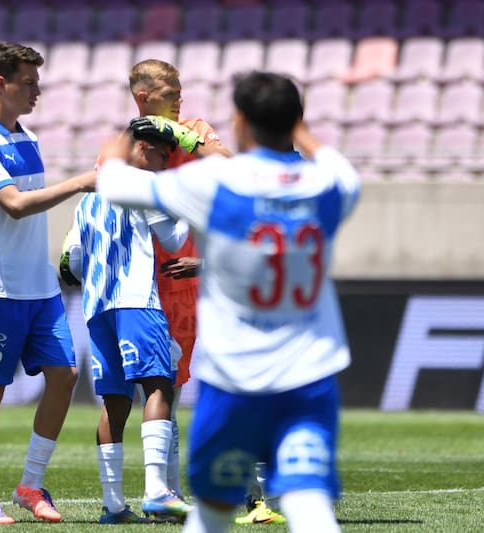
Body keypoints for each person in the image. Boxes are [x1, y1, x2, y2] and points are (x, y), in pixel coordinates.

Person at [96, 71, 360, 533]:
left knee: (214, 510)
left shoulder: (217, 182)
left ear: (239, 120)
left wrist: (125, 138)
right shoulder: (328, 185)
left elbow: (114, 185)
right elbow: (340, 168)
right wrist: (302, 131)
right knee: (310, 503)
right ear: (294, 121)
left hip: (235, 378)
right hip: (309, 374)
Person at [0, 41, 97, 526]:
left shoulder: (28, 136)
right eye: (29, 82)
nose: (37, 90)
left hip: (40, 288)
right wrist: (81, 182)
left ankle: (30, 485)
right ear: (1, 83)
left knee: (65, 376)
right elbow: (16, 204)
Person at [62, 117, 190, 524]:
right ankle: (157, 491)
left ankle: (113, 504)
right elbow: (171, 240)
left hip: (97, 307)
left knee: (115, 402)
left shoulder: (87, 197)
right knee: (159, 385)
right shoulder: (140, 186)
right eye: (159, 152)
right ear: (137, 148)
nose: (164, 161)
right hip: (137, 299)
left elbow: (76, 262)